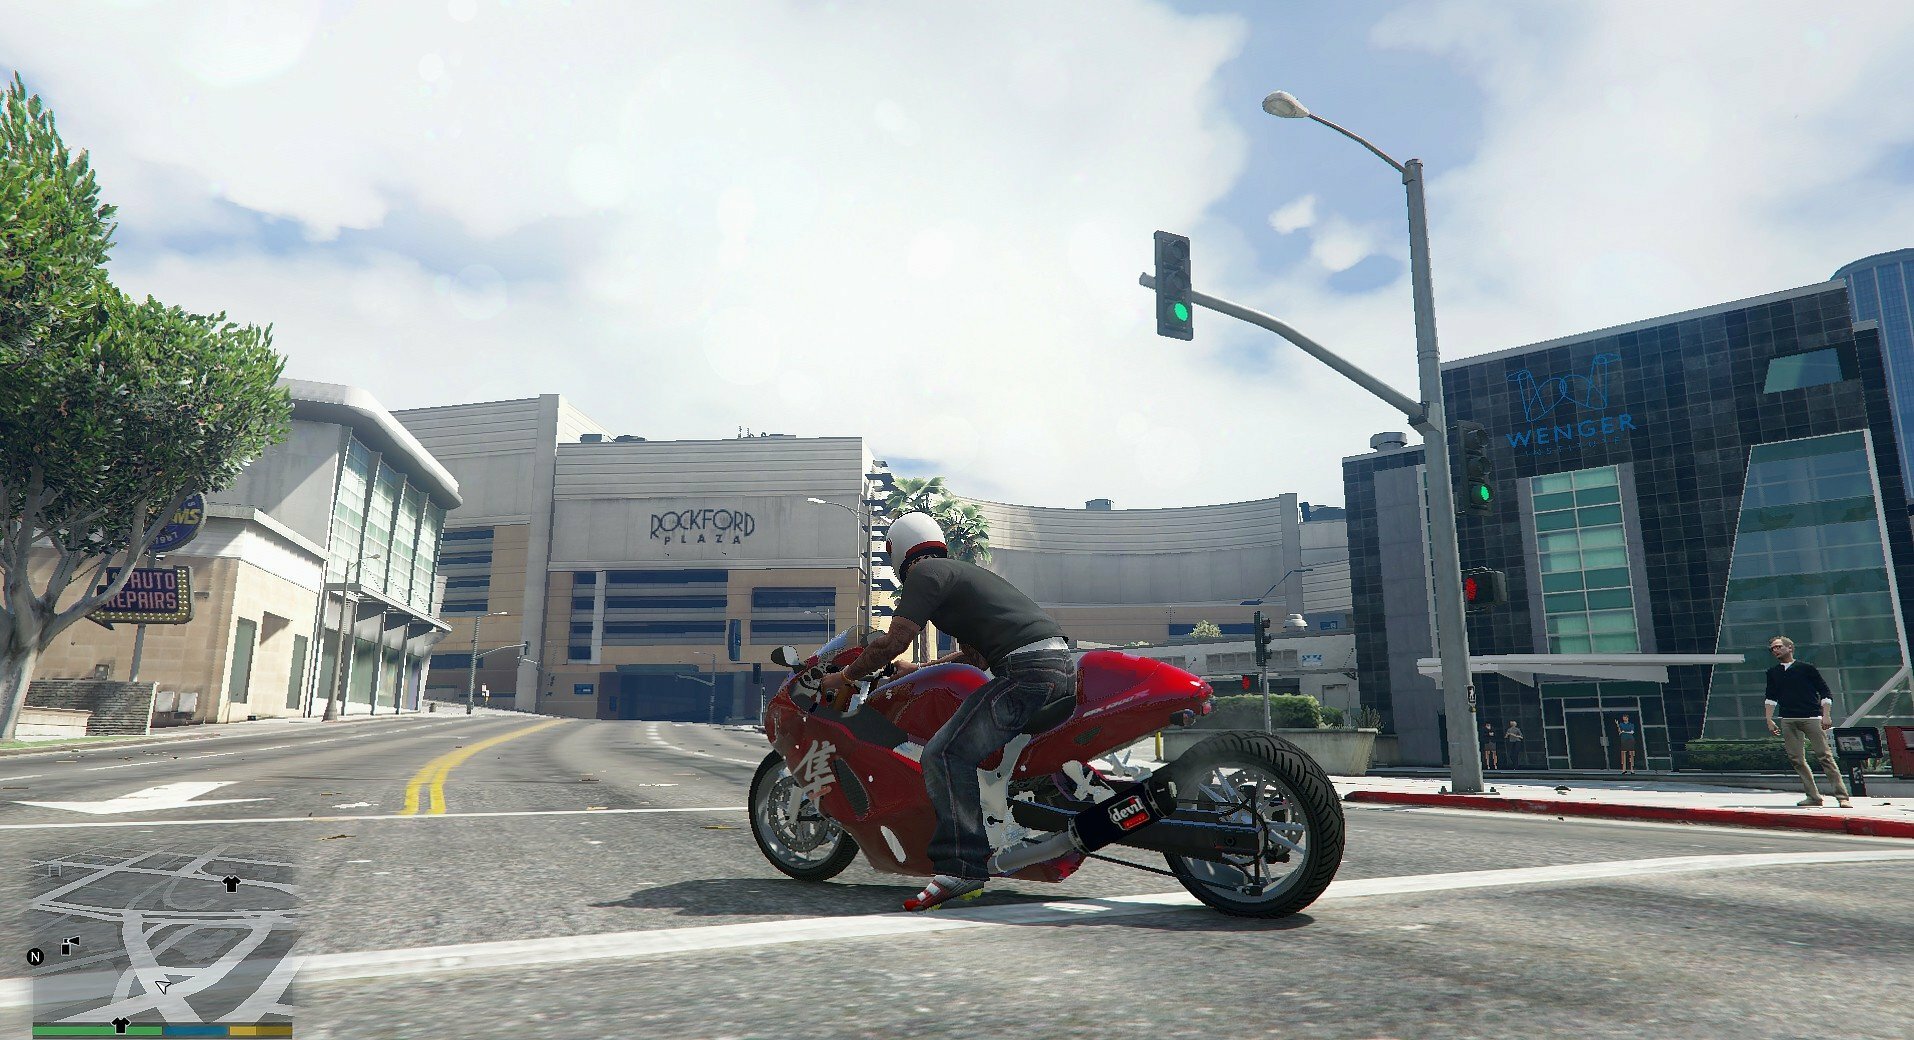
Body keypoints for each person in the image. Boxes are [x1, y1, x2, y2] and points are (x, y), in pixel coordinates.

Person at [819, 511, 1075, 911]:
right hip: (1055, 667)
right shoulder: (960, 575)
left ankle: (962, 869)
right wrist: (918, 671)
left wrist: (846, 676)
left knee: (944, 754)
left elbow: (894, 641)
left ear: (898, 552)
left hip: (1026, 673)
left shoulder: (925, 574)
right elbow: (974, 657)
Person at [1763, 635, 1852, 808]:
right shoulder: (1773, 672)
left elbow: (1824, 692)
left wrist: (1826, 715)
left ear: (1790, 648)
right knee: (1796, 759)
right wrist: (1769, 719)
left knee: (1824, 756)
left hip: (1811, 717)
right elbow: (1770, 697)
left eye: (1779, 646)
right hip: (1788, 719)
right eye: (1772, 648)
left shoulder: (1806, 668)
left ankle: (1842, 796)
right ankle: (1813, 796)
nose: (1775, 650)